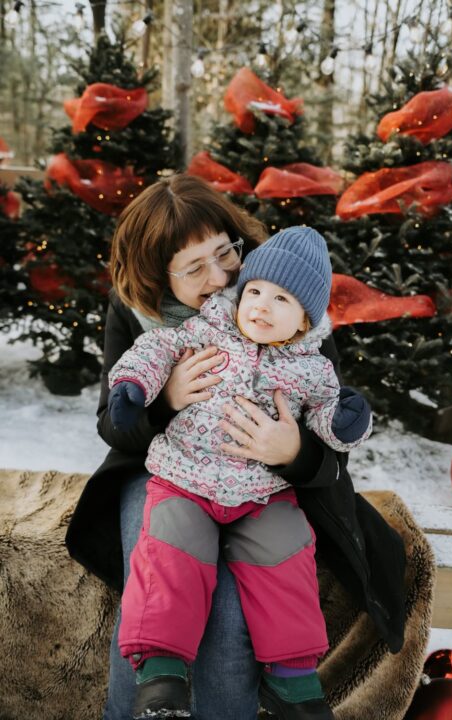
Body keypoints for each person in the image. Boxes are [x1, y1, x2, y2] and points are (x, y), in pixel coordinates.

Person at [65, 174, 407, 720]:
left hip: (266, 484)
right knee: (161, 584)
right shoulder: (138, 313)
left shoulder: (283, 298)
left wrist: (292, 450)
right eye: (193, 267)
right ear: (157, 275)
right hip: (168, 471)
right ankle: (147, 704)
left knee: (228, 616)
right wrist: (165, 401)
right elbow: (114, 422)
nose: (220, 277)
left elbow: (332, 426)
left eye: (224, 253)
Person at [107, 227, 372, 720]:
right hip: (185, 478)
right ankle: (160, 673)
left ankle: (292, 679)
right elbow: (155, 349)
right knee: (171, 549)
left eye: (281, 299)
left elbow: (327, 413)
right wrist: (135, 388)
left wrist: (341, 425)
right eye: (255, 292)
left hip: (263, 492)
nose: (261, 305)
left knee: (287, 553)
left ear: (305, 320)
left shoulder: (312, 367)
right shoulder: (206, 328)